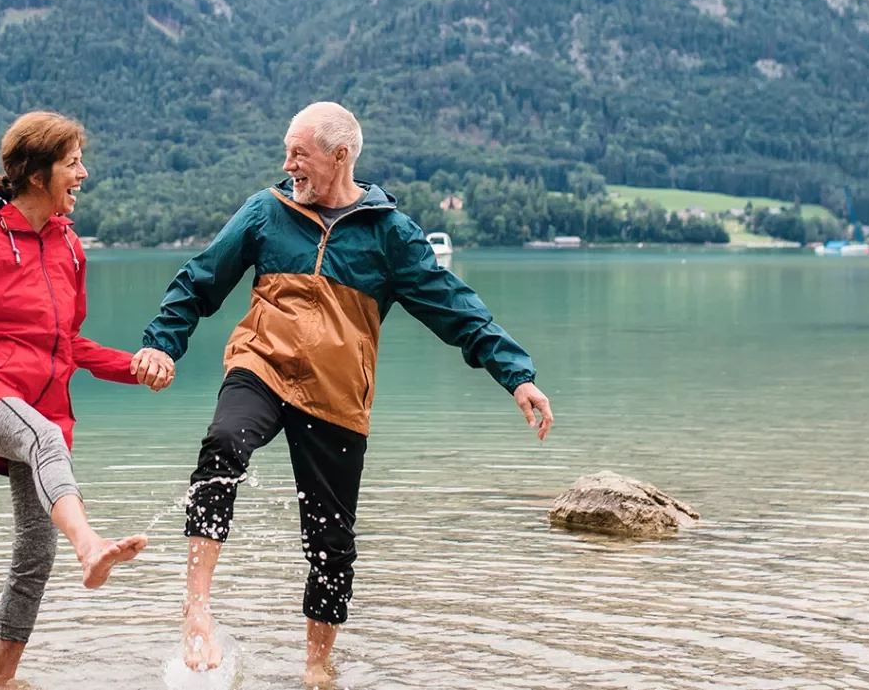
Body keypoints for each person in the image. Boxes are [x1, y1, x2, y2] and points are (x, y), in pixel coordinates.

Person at [131, 101, 554, 686]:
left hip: (337, 397)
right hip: (261, 366)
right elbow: (199, 279)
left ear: (340, 156)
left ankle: (317, 664)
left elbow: (454, 305)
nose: (288, 165)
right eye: (287, 152)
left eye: (299, 154)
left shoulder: (389, 235)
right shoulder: (266, 212)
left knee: (331, 540)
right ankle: (196, 609)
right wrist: (161, 343)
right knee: (224, 443)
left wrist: (517, 374)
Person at [0, 111, 151, 688]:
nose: (83, 174)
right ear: (38, 175)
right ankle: (90, 545)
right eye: (72, 163)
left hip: (44, 413)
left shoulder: (68, 246)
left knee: (34, 556)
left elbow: (68, 343)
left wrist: (133, 368)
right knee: (41, 437)